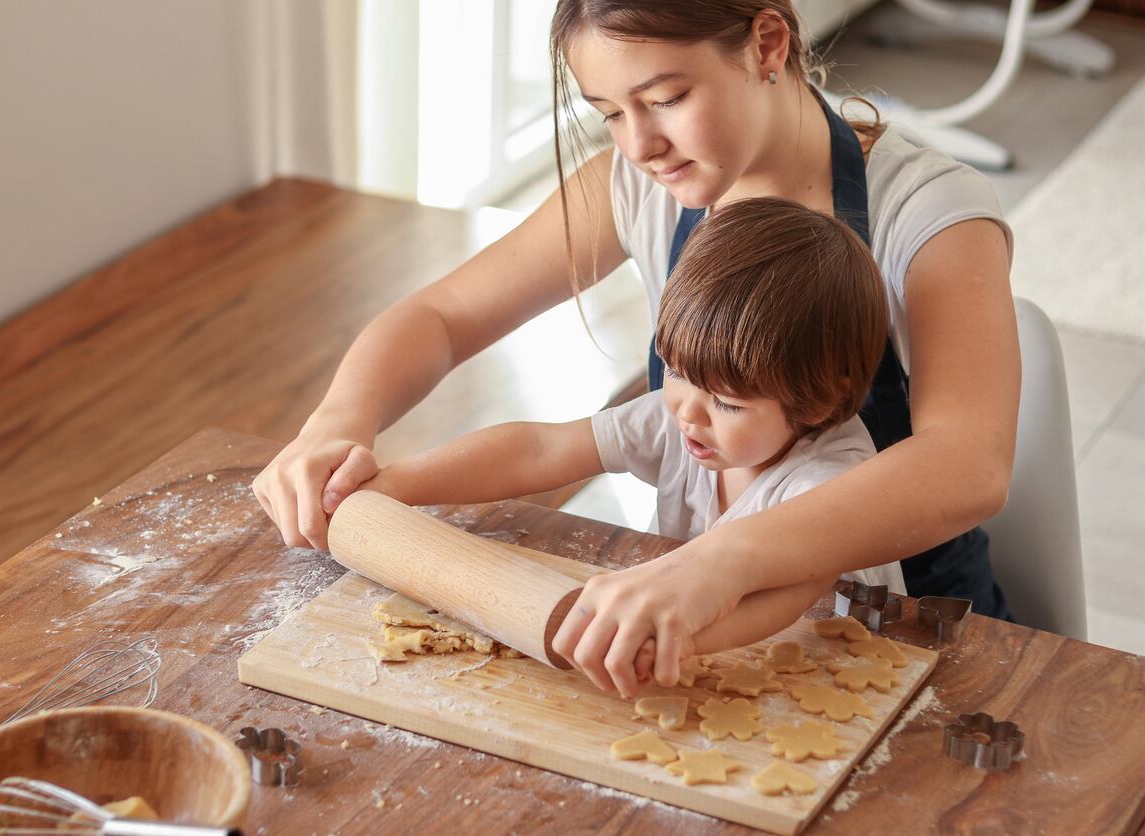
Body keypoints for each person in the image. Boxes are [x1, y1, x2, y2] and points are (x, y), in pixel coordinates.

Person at [252, 1, 1020, 697]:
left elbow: (968, 463)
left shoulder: (927, 212)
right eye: (609, 113)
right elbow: (443, 317)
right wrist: (336, 426)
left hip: (916, 632)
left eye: (665, 100)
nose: (641, 144)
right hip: (711, 637)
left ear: (767, 43)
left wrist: (718, 563)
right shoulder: (640, 186)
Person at [357, 197, 906, 699]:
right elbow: (541, 449)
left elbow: (784, 599)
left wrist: (661, 641)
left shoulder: (830, 482)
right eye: (675, 370)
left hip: (842, 674)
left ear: (814, 403)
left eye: (728, 403)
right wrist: (395, 484)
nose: (687, 410)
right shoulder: (686, 417)